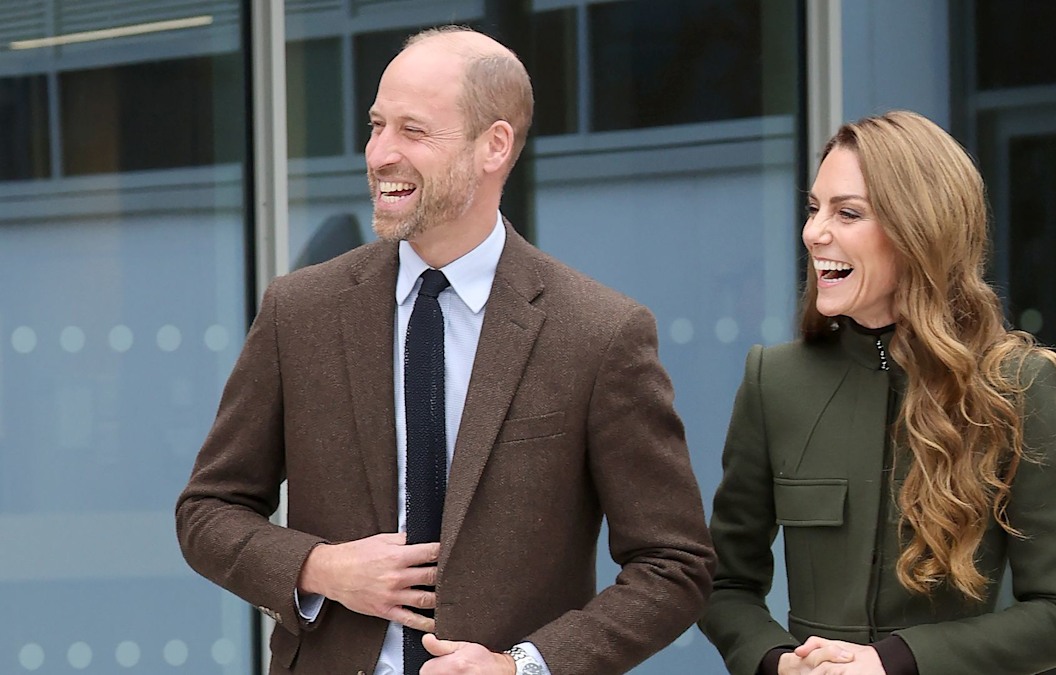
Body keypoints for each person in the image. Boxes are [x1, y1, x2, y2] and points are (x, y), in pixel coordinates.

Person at [176, 25, 714, 675]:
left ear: (494, 145)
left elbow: (673, 564)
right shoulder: (300, 310)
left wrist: (523, 666)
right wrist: (321, 567)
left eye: (413, 130)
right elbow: (208, 512)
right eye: (376, 126)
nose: (380, 154)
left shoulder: (599, 332)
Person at [698, 110, 1056, 675]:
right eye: (814, 209)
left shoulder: (1018, 385)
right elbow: (724, 584)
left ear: (919, 229)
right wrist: (777, 661)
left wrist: (894, 662)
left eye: (847, 213)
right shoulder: (775, 380)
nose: (814, 233)